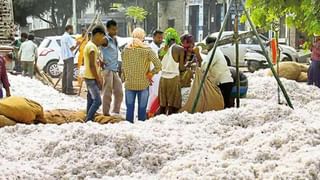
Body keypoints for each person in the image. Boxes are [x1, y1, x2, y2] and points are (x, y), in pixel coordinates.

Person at [121, 28, 162, 123]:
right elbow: (159, 65)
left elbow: (124, 67)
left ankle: (129, 132)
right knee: (142, 111)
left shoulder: (126, 50)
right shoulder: (147, 50)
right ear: (143, 38)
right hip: (143, 84)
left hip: (129, 84)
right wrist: (150, 74)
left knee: (129, 110)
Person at [158, 28, 185, 115]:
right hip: (173, 78)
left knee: (163, 104)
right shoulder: (180, 49)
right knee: (173, 104)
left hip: (163, 79)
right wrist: (188, 65)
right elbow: (181, 68)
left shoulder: (161, 50)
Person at [202, 36, 234, 108]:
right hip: (223, 81)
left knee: (224, 104)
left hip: (224, 82)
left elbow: (206, 66)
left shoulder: (214, 52)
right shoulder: (215, 51)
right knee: (224, 104)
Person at [83, 26, 106, 122]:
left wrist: (100, 62)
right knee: (97, 101)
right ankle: (88, 119)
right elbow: (92, 65)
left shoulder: (90, 45)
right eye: (102, 37)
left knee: (90, 99)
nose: (102, 40)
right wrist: (98, 79)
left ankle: (89, 118)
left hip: (88, 77)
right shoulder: (92, 47)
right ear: (97, 35)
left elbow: (94, 61)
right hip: (91, 78)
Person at [100, 20, 123, 116]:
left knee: (119, 92)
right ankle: (106, 113)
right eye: (113, 29)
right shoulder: (105, 40)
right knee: (107, 93)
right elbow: (94, 46)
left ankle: (116, 111)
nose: (115, 31)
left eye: (116, 29)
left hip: (114, 70)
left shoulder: (115, 40)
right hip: (107, 70)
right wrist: (99, 59)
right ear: (108, 29)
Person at [147, 30, 164, 115]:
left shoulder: (162, 48)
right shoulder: (149, 48)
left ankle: (153, 111)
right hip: (153, 74)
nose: (160, 39)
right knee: (153, 93)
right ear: (153, 37)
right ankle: (149, 111)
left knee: (158, 93)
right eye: (158, 37)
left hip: (160, 74)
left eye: (161, 37)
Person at [61, 25, 78, 95]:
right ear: (69, 29)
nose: (72, 31)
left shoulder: (63, 36)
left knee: (65, 73)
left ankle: (64, 88)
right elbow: (72, 48)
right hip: (69, 57)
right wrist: (77, 44)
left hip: (65, 57)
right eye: (72, 29)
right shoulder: (67, 37)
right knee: (69, 74)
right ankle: (69, 89)